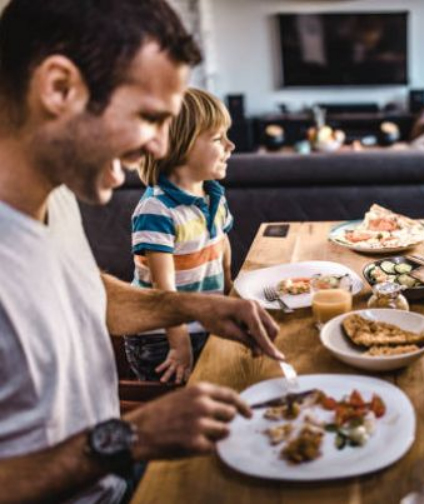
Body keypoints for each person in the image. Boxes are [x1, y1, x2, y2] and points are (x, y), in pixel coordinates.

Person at [0, 1, 284, 502]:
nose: (158, 147)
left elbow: (84, 295)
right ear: (59, 88)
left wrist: (195, 304)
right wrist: (134, 437)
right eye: (149, 118)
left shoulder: (57, 194)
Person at [125, 88, 236, 384]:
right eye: (217, 138)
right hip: (162, 337)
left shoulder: (213, 194)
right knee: (180, 409)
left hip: (203, 322)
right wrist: (180, 343)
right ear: (180, 146)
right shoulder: (157, 208)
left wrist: (229, 290)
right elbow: (165, 290)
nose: (231, 145)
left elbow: (220, 243)